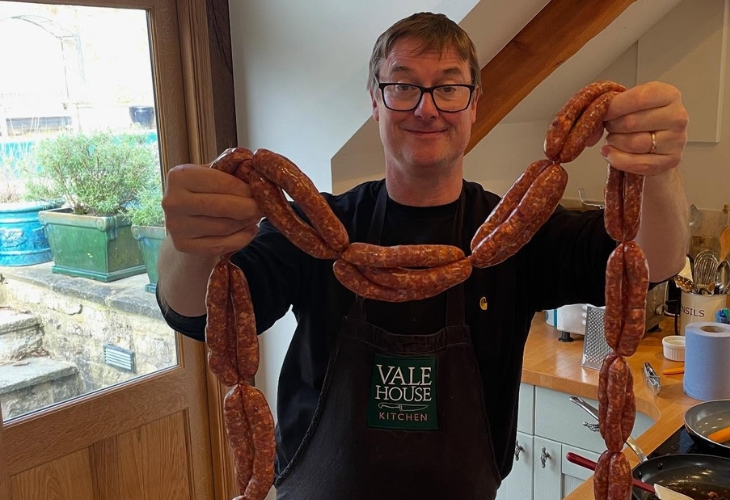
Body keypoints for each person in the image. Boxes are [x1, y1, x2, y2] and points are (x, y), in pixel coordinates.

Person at [157, 12, 689, 500]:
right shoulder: (318, 227)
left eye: (448, 87)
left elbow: (653, 261)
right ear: (375, 100)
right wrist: (188, 243)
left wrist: (658, 169)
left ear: (474, 102)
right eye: (403, 85)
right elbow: (198, 313)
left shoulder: (515, 233)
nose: (425, 106)